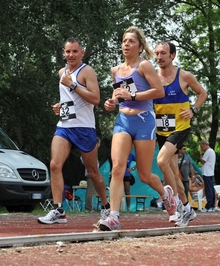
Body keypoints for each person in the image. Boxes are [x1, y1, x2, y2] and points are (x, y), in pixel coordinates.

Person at [97, 26, 176, 231]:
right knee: (117, 168)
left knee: (144, 175)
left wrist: (132, 97)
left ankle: (166, 194)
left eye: (131, 41)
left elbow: (158, 91)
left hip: (144, 121)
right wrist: (111, 103)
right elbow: (118, 95)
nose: (126, 44)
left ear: (140, 47)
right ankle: (113, 217)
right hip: (123, 120)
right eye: (124, 40)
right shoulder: (116, 70)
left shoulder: (145, 66)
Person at [37, 37, 110, 224]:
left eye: (75, 51)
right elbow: (70, 98)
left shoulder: (87, 71)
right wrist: (60, 106)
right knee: (54, 165)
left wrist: (73, 84)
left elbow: (95, 99)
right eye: (68, 51)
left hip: (84, 127)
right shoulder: (62, 72)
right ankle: (58, 209)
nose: (71, 55)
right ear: (63, 52)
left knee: (93, 172)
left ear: (82, 53)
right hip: (65, 126)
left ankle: (105, 207)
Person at [154, 41, 207, 227]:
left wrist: (193, 110)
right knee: (174, 175)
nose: (159, 57)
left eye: (163, 53)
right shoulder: (152, 78)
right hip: (161, 131)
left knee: (160, 161)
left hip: (179, 128)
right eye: (157, 53)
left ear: (172, 55)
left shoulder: (184, 76)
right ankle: (187, 208)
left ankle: (176, 205)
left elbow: (202, 93)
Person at [82, 138, 102, 212]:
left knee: (90, 191)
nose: (100, 145)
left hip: (92, 172)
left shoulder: (92, 151)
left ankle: (89, 207)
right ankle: (88, 208)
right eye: (99, 143)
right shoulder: (90, 151)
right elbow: (82, 158)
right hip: (91, 173)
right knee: (90, 191)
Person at [198, 139, 216, 212]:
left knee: (208, 189)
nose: (201, 147)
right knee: (211, 188)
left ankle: (208, 206)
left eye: (201, 145)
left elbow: (202, 161)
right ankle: (212, 205)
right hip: (210, 172)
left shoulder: (208, 152)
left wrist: (200, 153)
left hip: (207, 173)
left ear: (204, 144)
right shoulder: (212, 151)